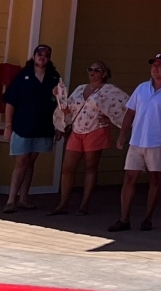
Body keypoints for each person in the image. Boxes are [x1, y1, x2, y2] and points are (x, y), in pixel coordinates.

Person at [113, 52, 161, 232]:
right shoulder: (141, 88)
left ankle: (147, 218)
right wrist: (123, 133)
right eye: (154, 65)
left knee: (155, 179)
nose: (155, 69)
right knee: (129, 177)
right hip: (137, 140)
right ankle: (124, 219)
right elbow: (130, 112)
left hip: (158, 142)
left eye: (160, 65)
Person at [52, 61, 129, 216]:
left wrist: (110, 117)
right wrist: (59, 99)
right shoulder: (80, 88)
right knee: (67, 167)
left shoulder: (109, 90)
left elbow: (127, 105)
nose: (92, 72)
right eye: (90, 69)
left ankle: (84, 204)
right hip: (77, 131)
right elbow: (68, 109)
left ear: (104, 73)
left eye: (97, 70)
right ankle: (63, 203)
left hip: (96, 130)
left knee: (91, 167)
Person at [1, 44, 61, 213]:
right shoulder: (23, 76)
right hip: (22, 125)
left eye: (46, 55)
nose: (42, 57)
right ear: (34, 56)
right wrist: (8, 126)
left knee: (31, 161)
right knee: (21, 161)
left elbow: (60, 104)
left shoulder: (54, 77)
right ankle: (11, 200)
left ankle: (23, 199)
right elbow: (10, 102)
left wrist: (60, 126)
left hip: (43, 125)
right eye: (39, 54)